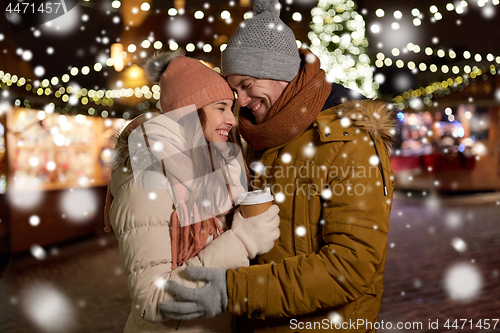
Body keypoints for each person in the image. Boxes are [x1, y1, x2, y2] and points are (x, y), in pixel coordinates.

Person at [160, 0, 396, 332]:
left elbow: (351, 266)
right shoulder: (259, 137)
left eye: (246, 84)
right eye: (233, 88)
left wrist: (236, 291)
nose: (240, 100)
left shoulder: (349, 142)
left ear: (279, 73)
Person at [103, 51, 281, 333]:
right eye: (220, 108)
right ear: (189, 113)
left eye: (230, 108)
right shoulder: (147, 181)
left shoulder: (218, 172)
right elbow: (152, 300)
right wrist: (243, 241)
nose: (232, 120)